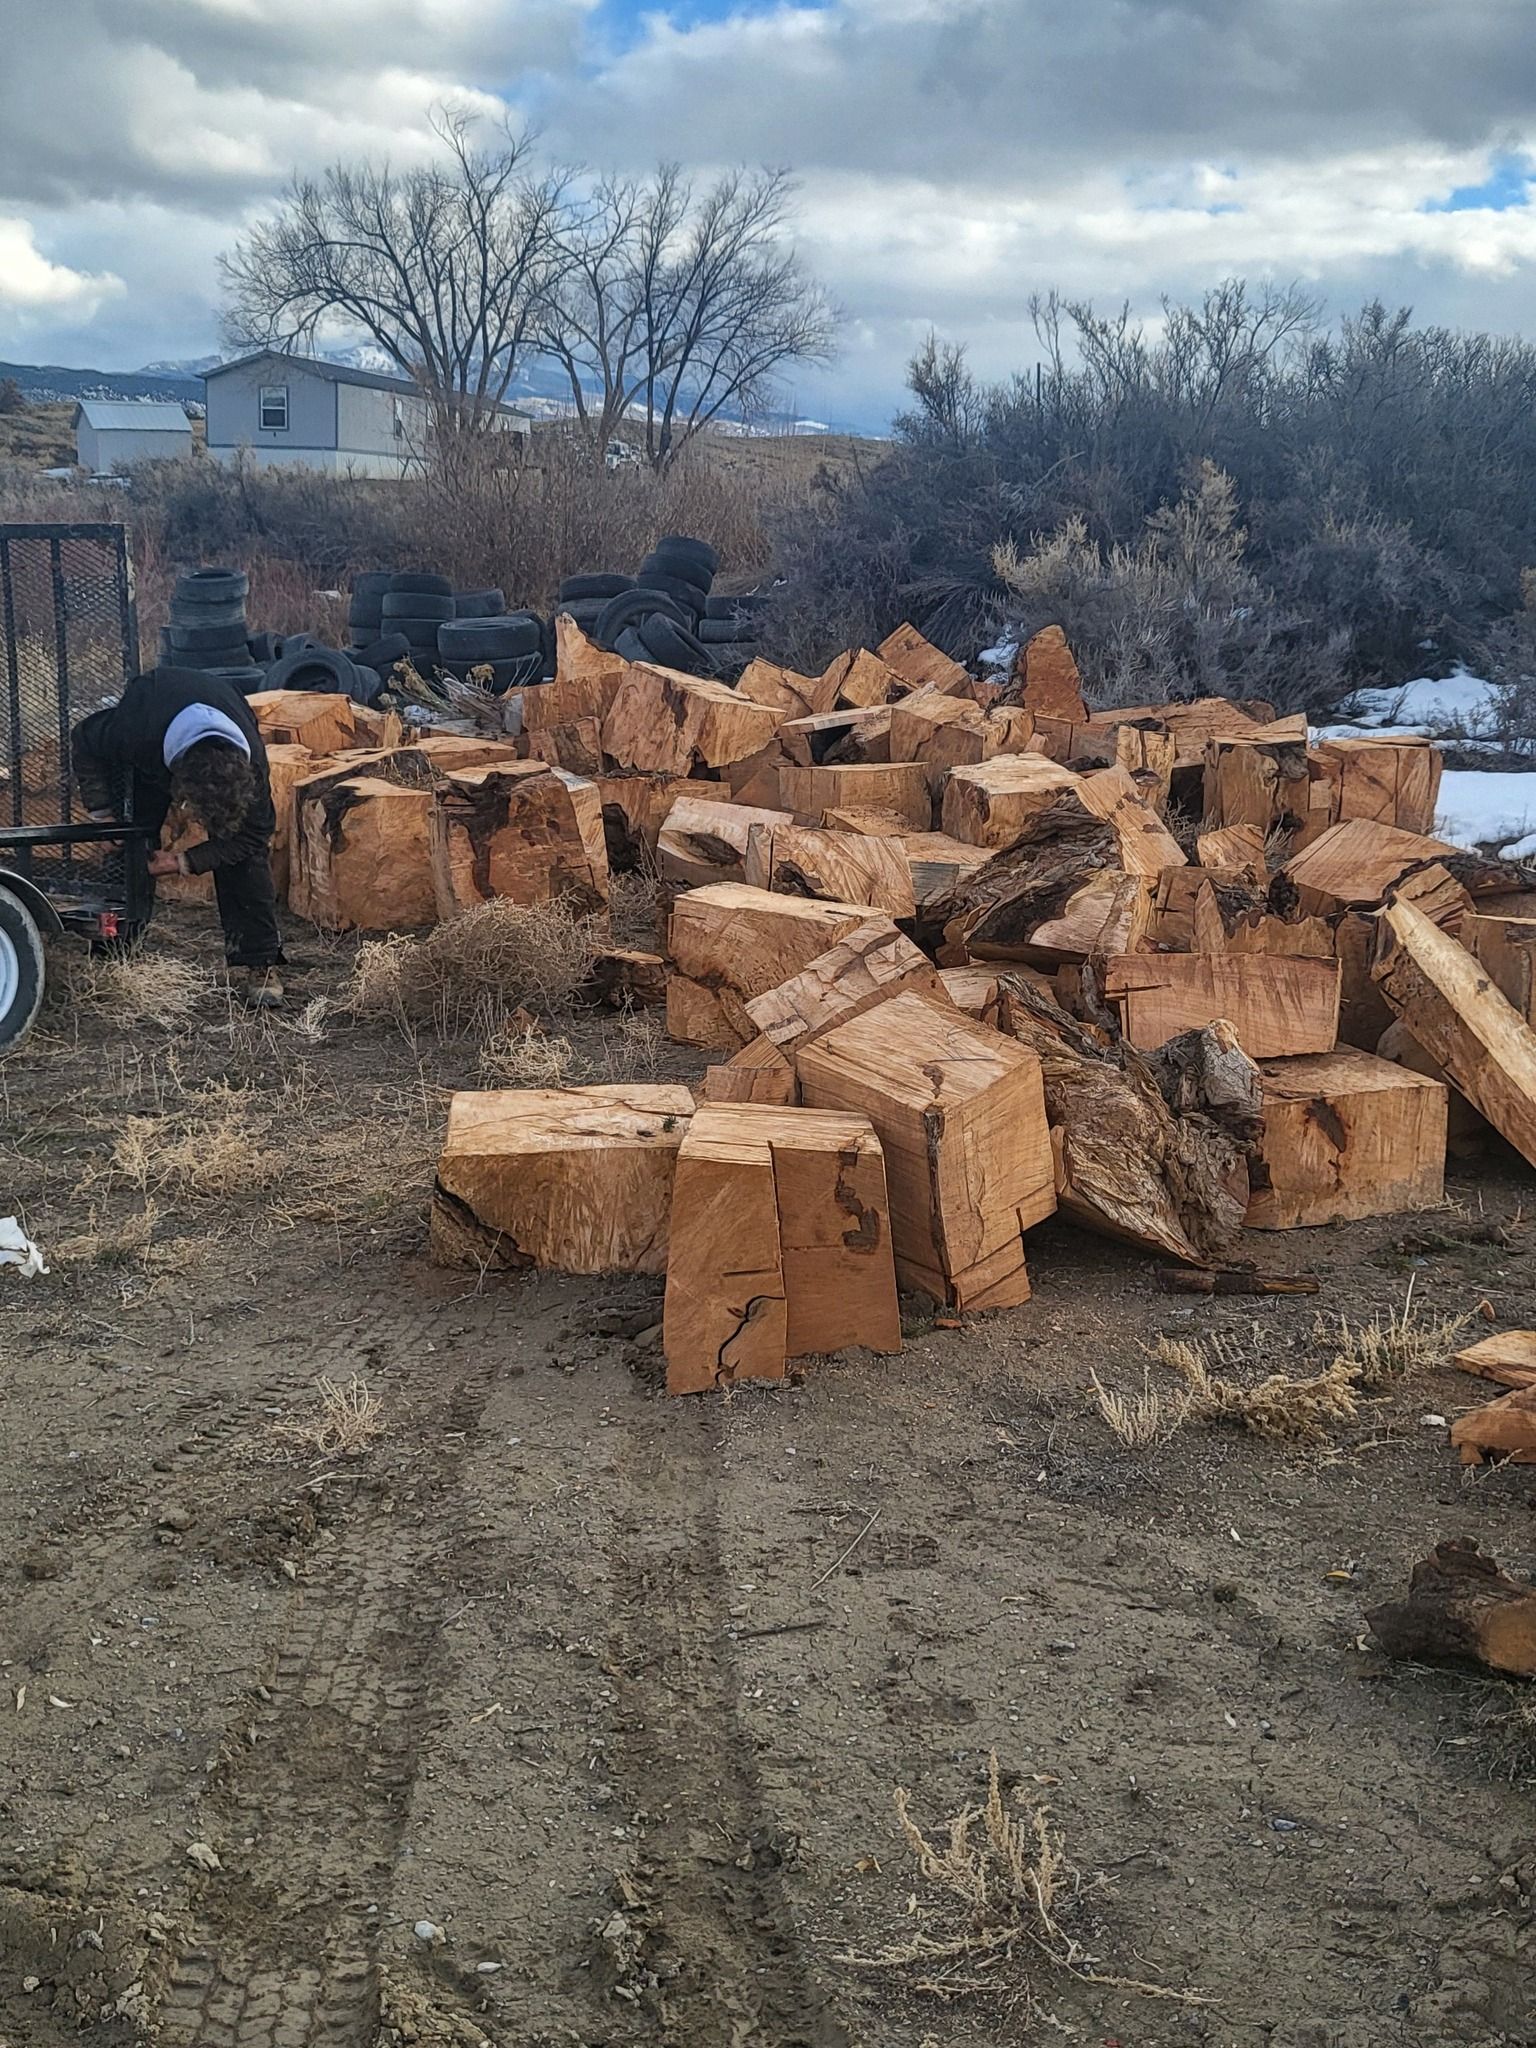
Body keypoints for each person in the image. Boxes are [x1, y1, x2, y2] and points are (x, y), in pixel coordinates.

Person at [72, 666, 285, 1007]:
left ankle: (261, 961)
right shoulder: (132, 732)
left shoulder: (252, 768)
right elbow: (83, 738)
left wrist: (183, 861)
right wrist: (103, 815)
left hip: (219, 709)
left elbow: (252, 837)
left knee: (246, 856)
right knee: (127, 839)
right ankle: (113, 946)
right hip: (153, 731)